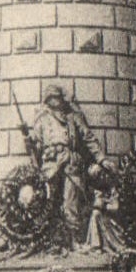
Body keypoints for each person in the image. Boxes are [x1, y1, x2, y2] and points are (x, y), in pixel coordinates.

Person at [29, 84, 104, 244]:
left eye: (56, 97)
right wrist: (27, 140)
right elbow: (35, 146)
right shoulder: (41, 119)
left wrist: (101, 158)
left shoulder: (73, 117)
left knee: (71, 203)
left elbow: (88, 138)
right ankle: (48, 241)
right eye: (51, 98)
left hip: (70, 162)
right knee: (47, 202)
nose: (54, 101)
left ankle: (74, 240)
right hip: (50, 165)